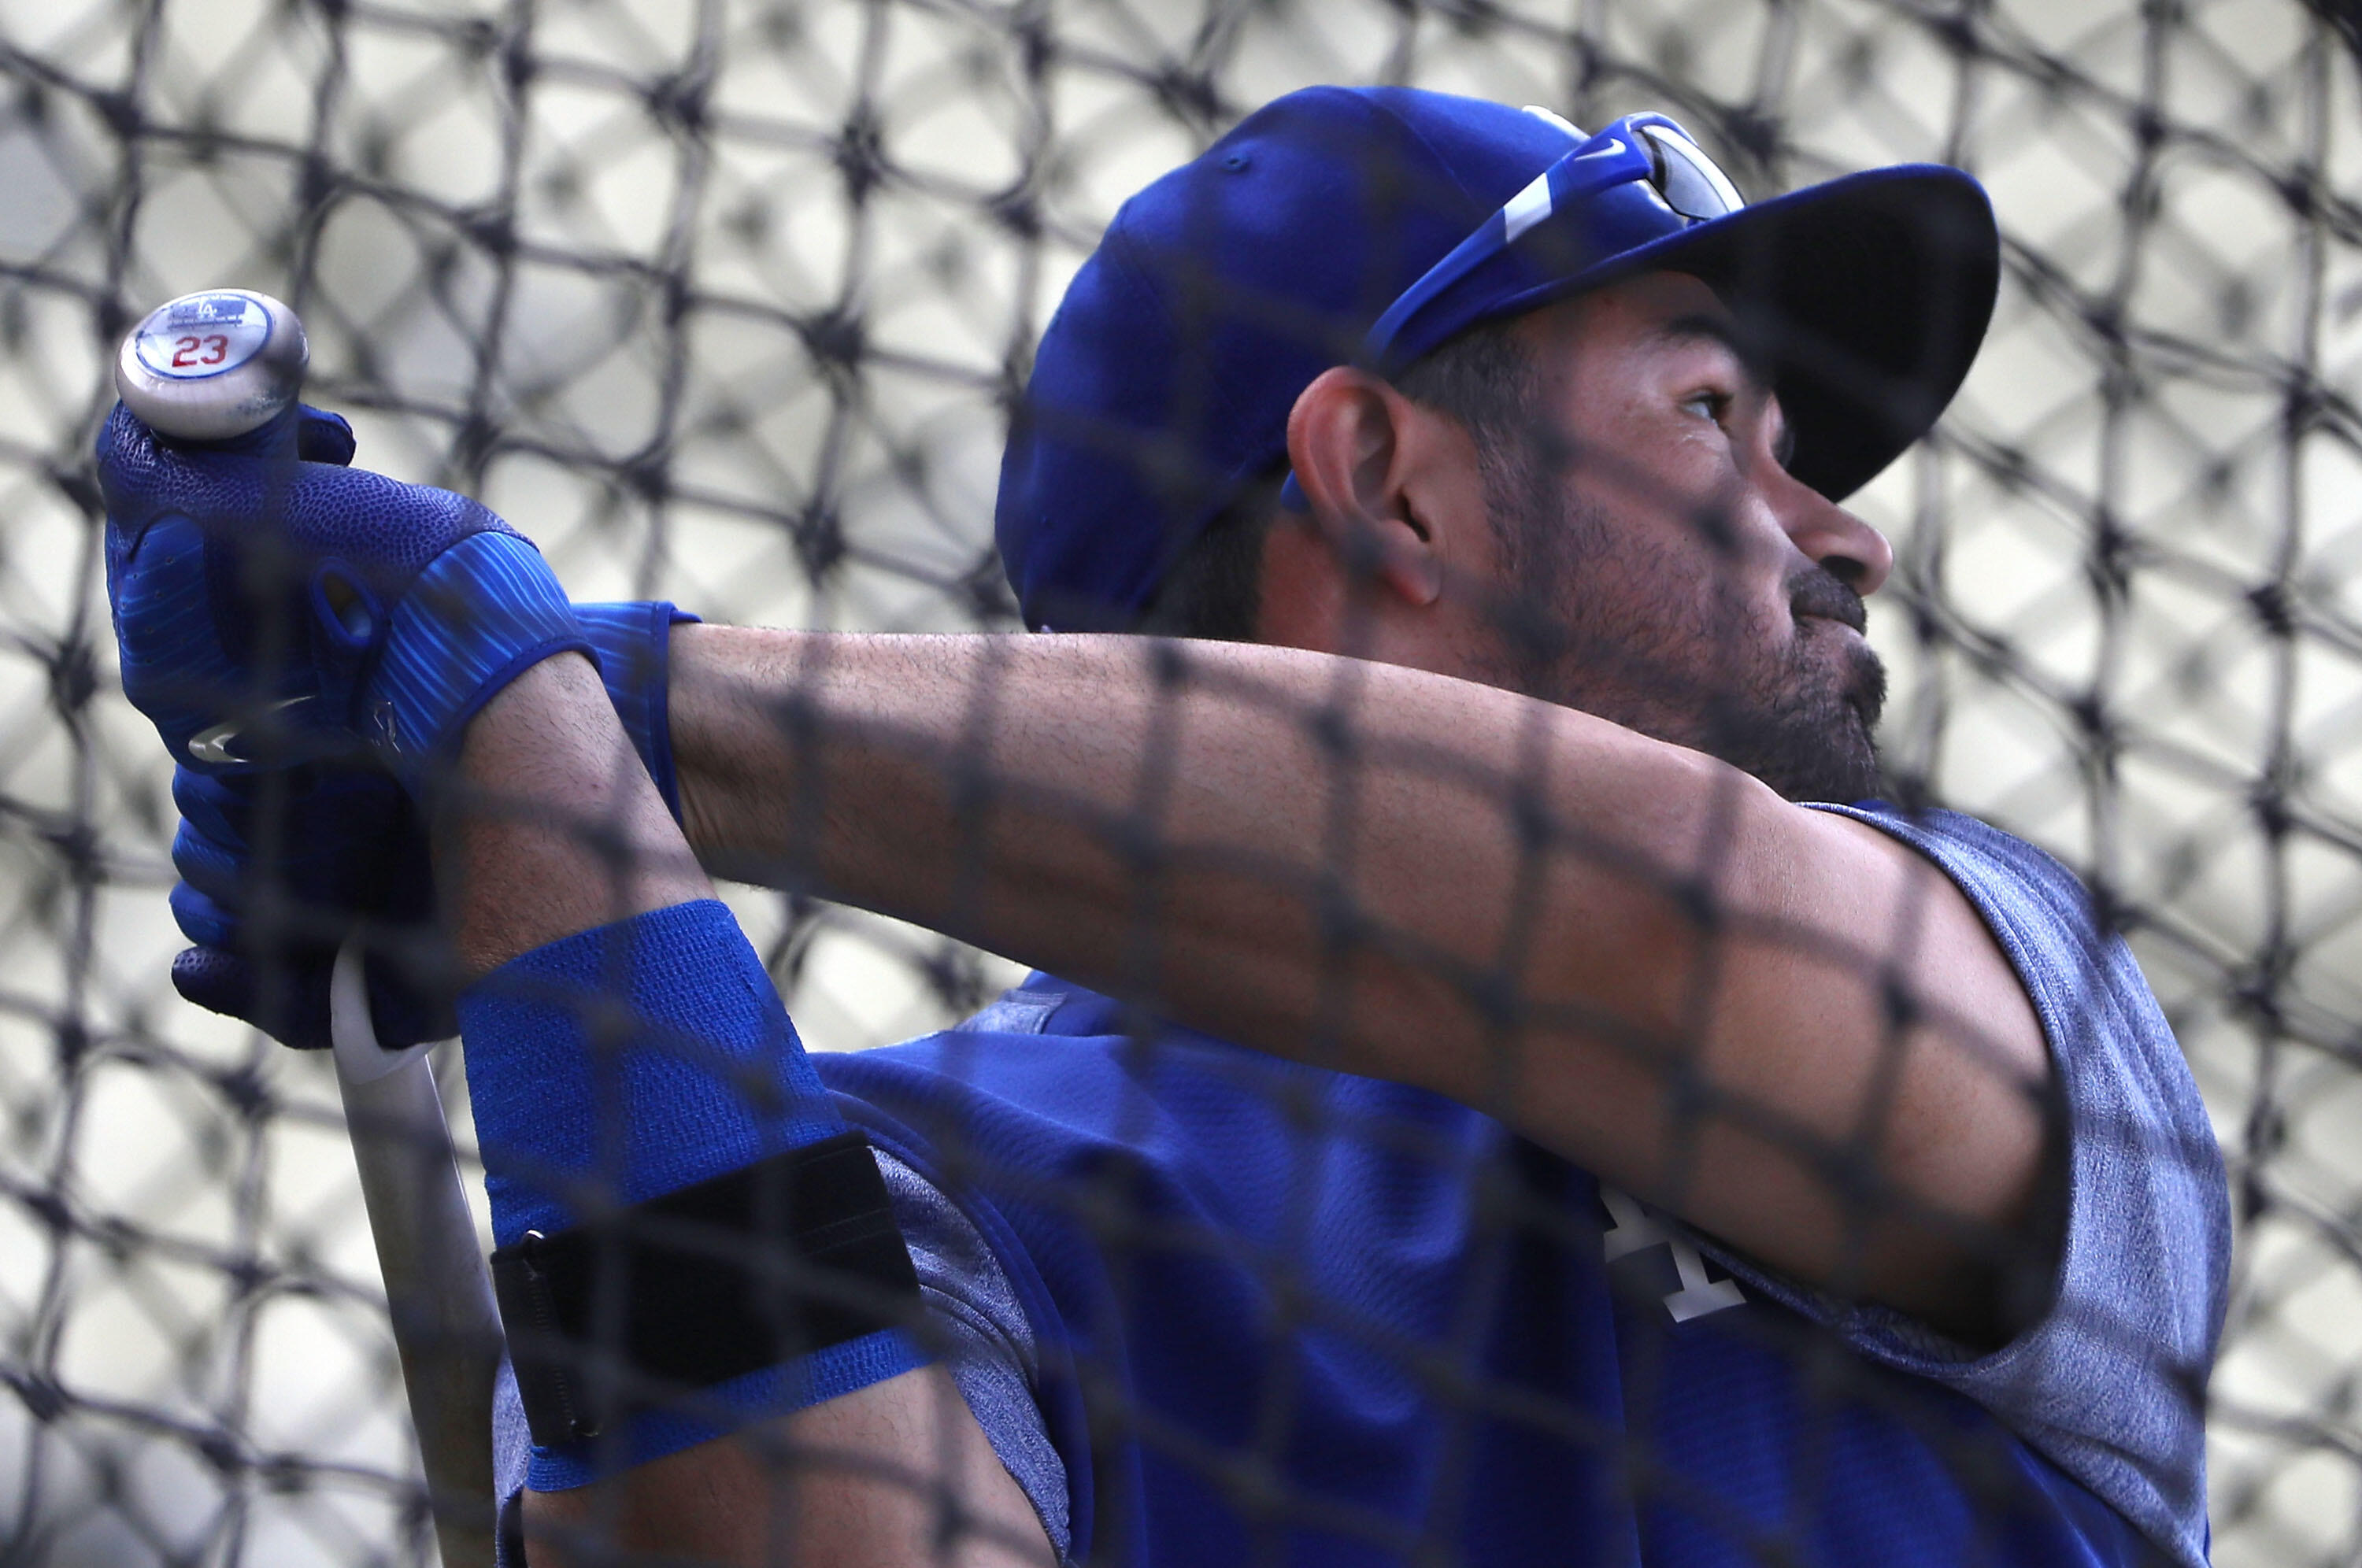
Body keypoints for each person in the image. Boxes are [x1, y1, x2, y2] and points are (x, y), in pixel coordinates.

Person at [101, 87, 2227, 1566]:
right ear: (1388, 481)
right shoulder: (884, 1171)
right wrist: (523, 802)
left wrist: (604, 698)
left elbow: (1665, 926)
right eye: (1711, 421)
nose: (1837, 529)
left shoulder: (2007, 985)